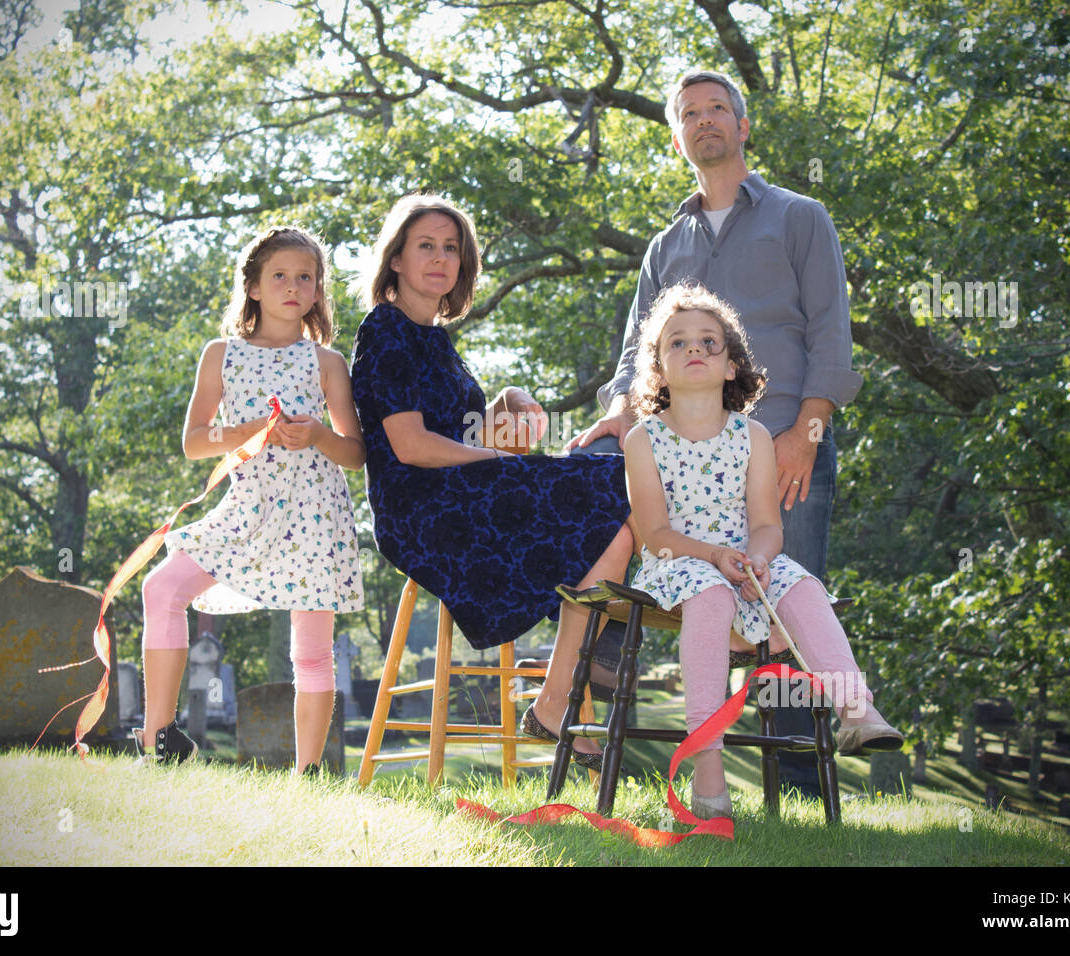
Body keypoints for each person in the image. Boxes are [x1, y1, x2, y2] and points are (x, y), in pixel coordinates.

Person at [568, 69, 862, 795]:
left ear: (742, 125)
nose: (705, 121)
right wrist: (615, 410)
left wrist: (806, 431)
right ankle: (600, 651)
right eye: (690, 114)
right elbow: (639, 349)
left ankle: (795, 789)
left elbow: (831, 334)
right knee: (596, 460)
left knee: (783, 609)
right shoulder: (665, 245)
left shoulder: (800, 217)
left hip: (785, 445)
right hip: (681, 464)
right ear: (677, 138)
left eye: (717, 110)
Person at [349, 194, 634, 770]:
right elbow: (410, 446)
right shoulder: (386, 330)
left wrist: (506, 405)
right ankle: (596, 658)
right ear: (396, 260)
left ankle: (568, 686)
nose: (440, 258)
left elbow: (467, 436)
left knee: (623, 495)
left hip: (459, 492)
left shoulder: (436, 339)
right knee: (614, 481)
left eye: (451, 248)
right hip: (420, 510)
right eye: (425, 245)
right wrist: (491, 457)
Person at [623, 281, 902, 819]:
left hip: (745, 560)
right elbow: (654, 534)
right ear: (657, 367)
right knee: (708, 595)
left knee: (802, 584)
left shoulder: (751, 437)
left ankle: (856, 710)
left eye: (710, 341)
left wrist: (758, 557)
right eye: (678, 343)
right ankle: (708, 772)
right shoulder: (644, 441)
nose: (695, 349)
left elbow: (769, 525)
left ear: (732, 366)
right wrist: (713, 558)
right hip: (676, 564)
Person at [136, 226, 365, 772]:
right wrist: (250, 429)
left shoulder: (327, 362)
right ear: (254, 287)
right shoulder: (221, 355)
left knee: (310, 648)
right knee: (160, 588)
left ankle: (309, 773)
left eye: (305, 278)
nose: (293, 286)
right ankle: (159, 742)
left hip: (315, 513)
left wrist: (315, 436)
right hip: (246, 509)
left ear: (317, 292)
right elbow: (194, 442)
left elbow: (356, 452)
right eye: (280, 276)